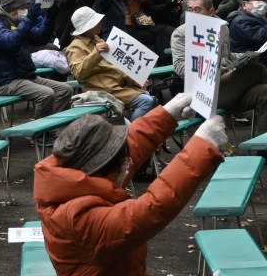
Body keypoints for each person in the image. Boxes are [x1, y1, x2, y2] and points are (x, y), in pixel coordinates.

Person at [34, 94, 223, 275]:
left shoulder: (71, 172)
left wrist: (168, 114)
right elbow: (153, 209)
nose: (128, 162)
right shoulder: (78, 221)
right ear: (102, 169)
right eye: (122, 162)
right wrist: (203, 144)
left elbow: (129, 146)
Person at [172, 0, 267, 134]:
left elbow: (228, 56)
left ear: (211, 11)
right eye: (190, 10)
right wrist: (212, 67)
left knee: (265, 91)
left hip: (228, 86)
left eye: (197, 10)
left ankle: (263, 149)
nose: (192, 13)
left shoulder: (222, 27)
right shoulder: (181, 33)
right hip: (204, 90)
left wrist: (247, 57)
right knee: (257, 69)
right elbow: (179, 67)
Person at [0, 0, 72, 122]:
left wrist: (50, 16)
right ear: (13, 8)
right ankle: (41, 133)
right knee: (46, 94)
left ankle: (52, 124)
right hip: (9, 81)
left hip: (26, 76)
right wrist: (30, 18)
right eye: (23, 7)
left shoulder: (17, 22)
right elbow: (11, 43)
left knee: (65, 89)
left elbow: (40, 38)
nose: (25, 10)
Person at [65, 6, 157, 119]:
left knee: (151, 99)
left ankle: (137, 133)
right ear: (87, 27)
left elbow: (117, 65)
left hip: (117, 86)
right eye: (95, 22)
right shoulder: (75, 47)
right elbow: (78, 73)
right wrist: (95, 54)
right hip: (103, 90)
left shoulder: (98, 40)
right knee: (147, 101)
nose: (100, 23)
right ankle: (133, 134)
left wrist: (133, 79)